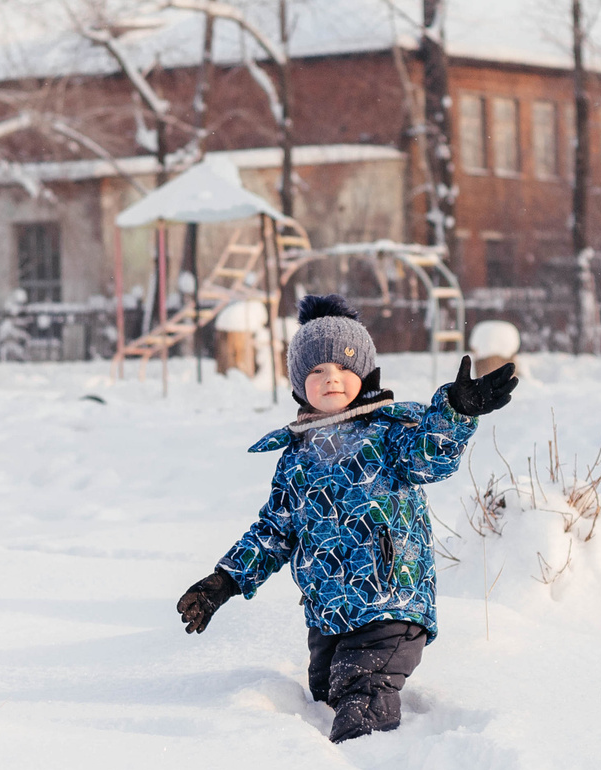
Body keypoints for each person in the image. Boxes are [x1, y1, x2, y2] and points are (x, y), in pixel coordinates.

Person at [175, 293, 518, 742]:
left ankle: (366, 768)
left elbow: (430, 457)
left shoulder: (392, 434)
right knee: (325, 691)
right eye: (316, 370)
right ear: (300, 385)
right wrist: (224, 581)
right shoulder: (297, 458)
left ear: (366, 374)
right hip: (328, 613)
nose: (331, 378)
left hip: (389, 602)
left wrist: (455, 412)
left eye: (343, 367)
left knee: (363, 696)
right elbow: (275, 530)